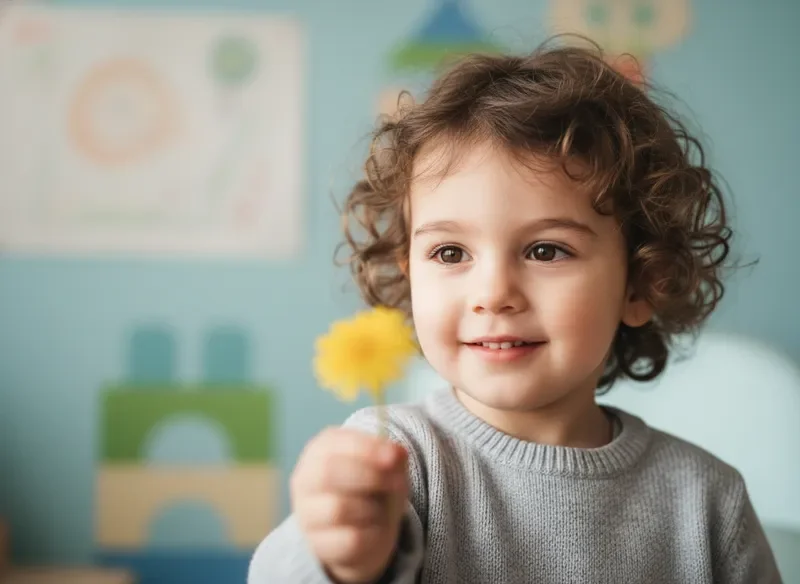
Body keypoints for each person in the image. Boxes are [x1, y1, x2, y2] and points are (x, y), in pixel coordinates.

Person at [248, 40, 782, 583]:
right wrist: (339, 558)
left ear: (641, 284)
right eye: (450, 253)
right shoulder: (395, 460)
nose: (494, 293)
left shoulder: (709, 501)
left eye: (545, 250)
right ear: (409, 279)